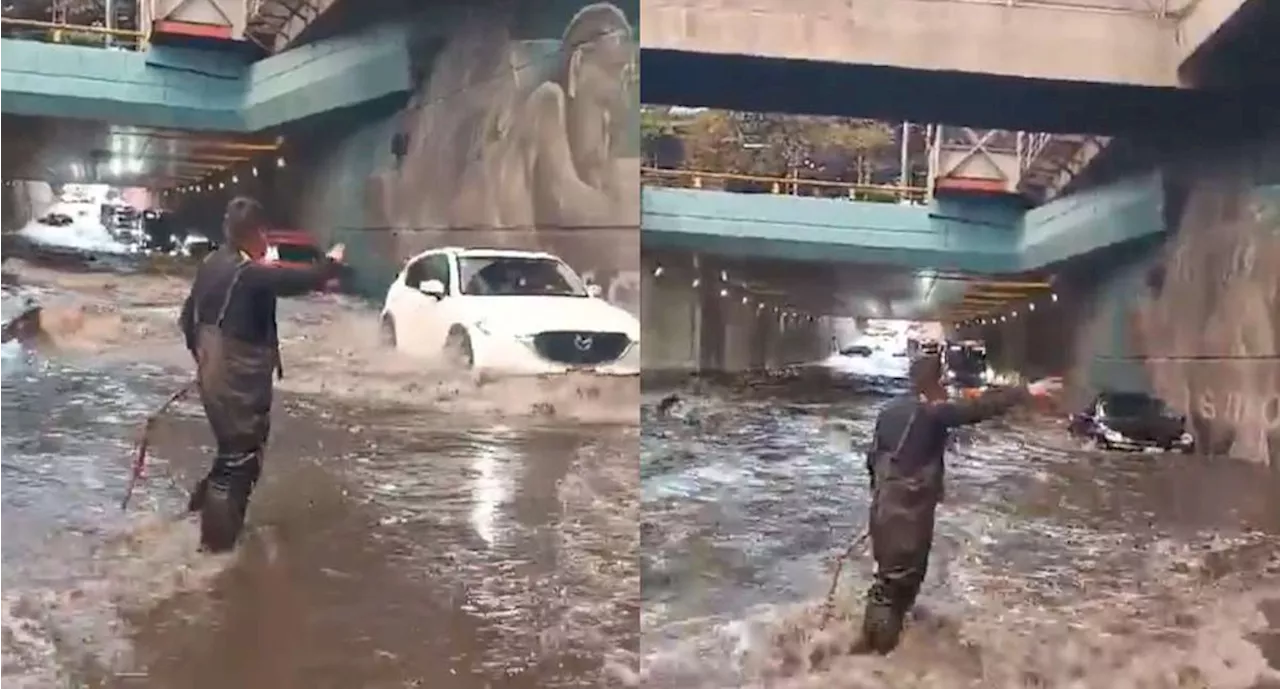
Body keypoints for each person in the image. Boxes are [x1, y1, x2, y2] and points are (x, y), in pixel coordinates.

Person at [857, 356, 1062, 654]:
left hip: (883, 509)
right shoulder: (931, 410)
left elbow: (872, 459)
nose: (945, 389)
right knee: (898, 585)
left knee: (885, 583)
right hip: (909, 514)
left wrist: (882, 498)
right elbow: (977, 409)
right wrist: (1024, 392)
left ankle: (866, 648)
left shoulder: (888, 410)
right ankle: (877, 660)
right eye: (941, 383)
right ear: (933, 383)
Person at [179, 197, 346, 553]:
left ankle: (195, 521)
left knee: (229, 455)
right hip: (235, 379)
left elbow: (186, 318)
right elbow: (298, 279)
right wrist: (331, 263)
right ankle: (215, 551)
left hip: (214, 375)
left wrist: (203, 360)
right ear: (257, 233)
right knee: (239, 461)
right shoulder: (247, 272)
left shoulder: (212, 263)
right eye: (264, 235)